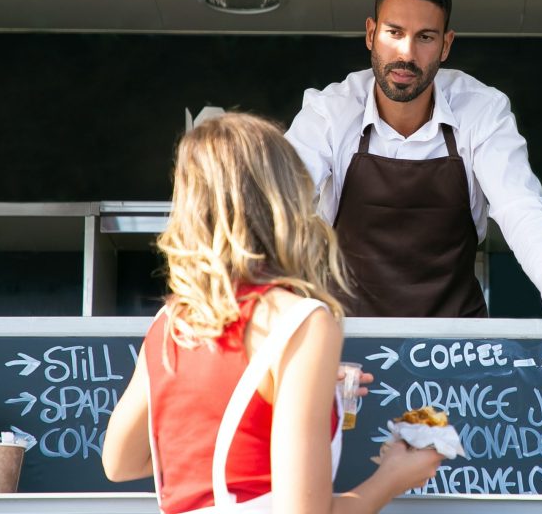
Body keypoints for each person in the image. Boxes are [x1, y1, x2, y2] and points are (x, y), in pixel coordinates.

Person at [102, 113, 443, 513]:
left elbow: (119, 462)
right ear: (285, 196)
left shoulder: (171, 322)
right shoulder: (302, 323)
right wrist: (394, 477)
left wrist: (289, 384)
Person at [285, 0, 542, 342]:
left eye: (425, 37)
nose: (406, 54)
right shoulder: (330, 110)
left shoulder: (482, 109)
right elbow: (283, 201)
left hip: (459, 345)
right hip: (349, 337)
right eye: (394, 33)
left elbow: (519, 206)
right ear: (371, 34)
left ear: (446, 44)